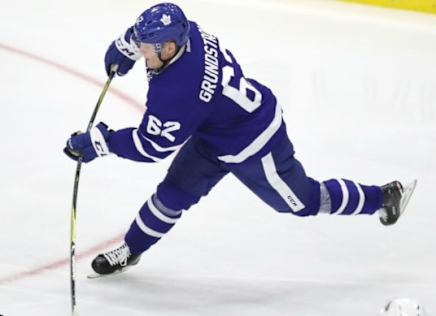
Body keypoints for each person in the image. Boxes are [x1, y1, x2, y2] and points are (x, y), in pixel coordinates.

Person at [64, 3, 413, 276]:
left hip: (256, 141)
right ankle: (131, 248)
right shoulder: (190, 33)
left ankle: (383, 196)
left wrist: (102, 142)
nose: (145, 55)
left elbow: (151, 146)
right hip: (213, 131)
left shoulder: (178, 91)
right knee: (171, 196)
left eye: (148, 50)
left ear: (169, 48)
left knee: (301, 200)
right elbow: (151, 35)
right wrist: (127, 45)